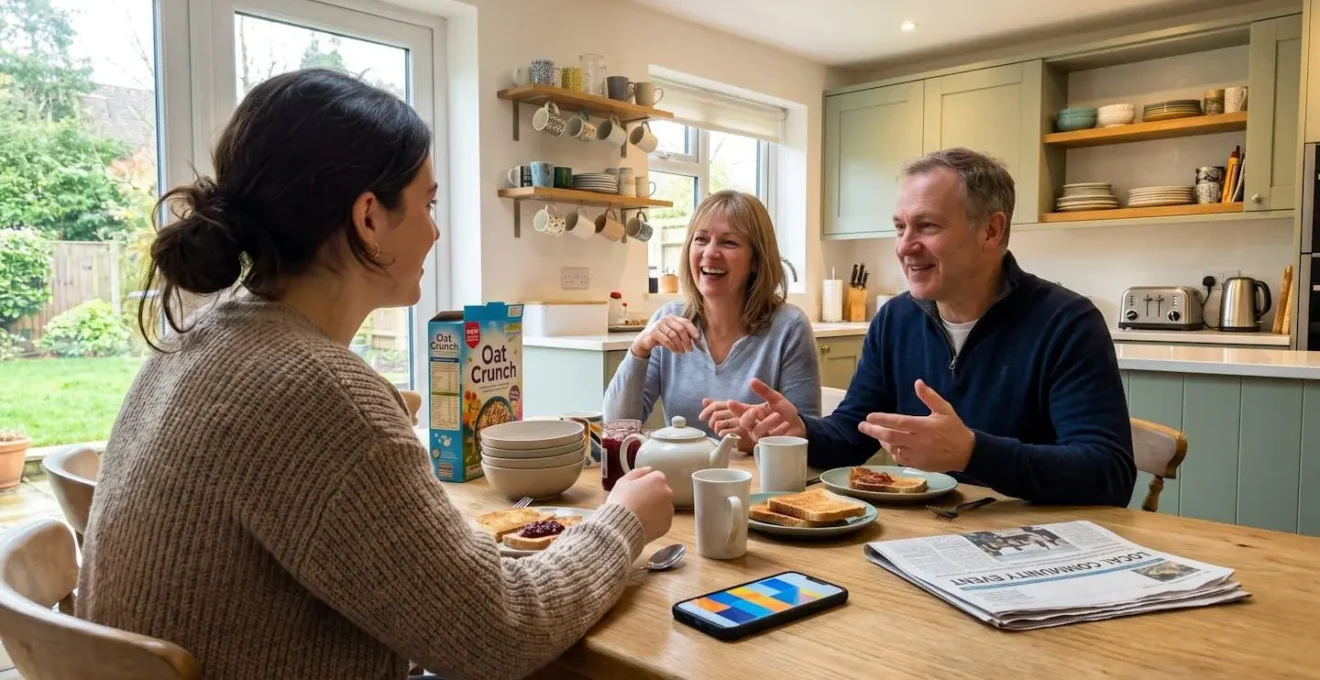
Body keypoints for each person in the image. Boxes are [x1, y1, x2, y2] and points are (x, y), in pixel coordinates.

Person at [77, 69, 674, 680]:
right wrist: (622, 520)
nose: (436, 230)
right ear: (368, 217)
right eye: (428, 203)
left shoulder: (200, 337)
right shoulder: (316, 393)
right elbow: (499, 634)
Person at [726, 148, 1135, 506]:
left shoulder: (1066, 323)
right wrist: (802, 430)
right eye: (900, 227)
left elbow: (1109, 475)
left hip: (1032, 547)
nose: (904, 246)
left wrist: (973, 453)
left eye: (927, 226)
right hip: (928, 535)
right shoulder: (896, 319)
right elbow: (855, 432)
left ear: (991, 231)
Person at [602, 190, 820, 450]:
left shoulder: (789, 327)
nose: (710, 252)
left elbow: (807, 437)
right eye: (701, 239)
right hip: (682, 482)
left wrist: (754, 439)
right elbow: (615, 426)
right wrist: (640, 349)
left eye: (729, 243)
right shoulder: (668, 321)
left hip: (760, 486)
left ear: (756, 260)